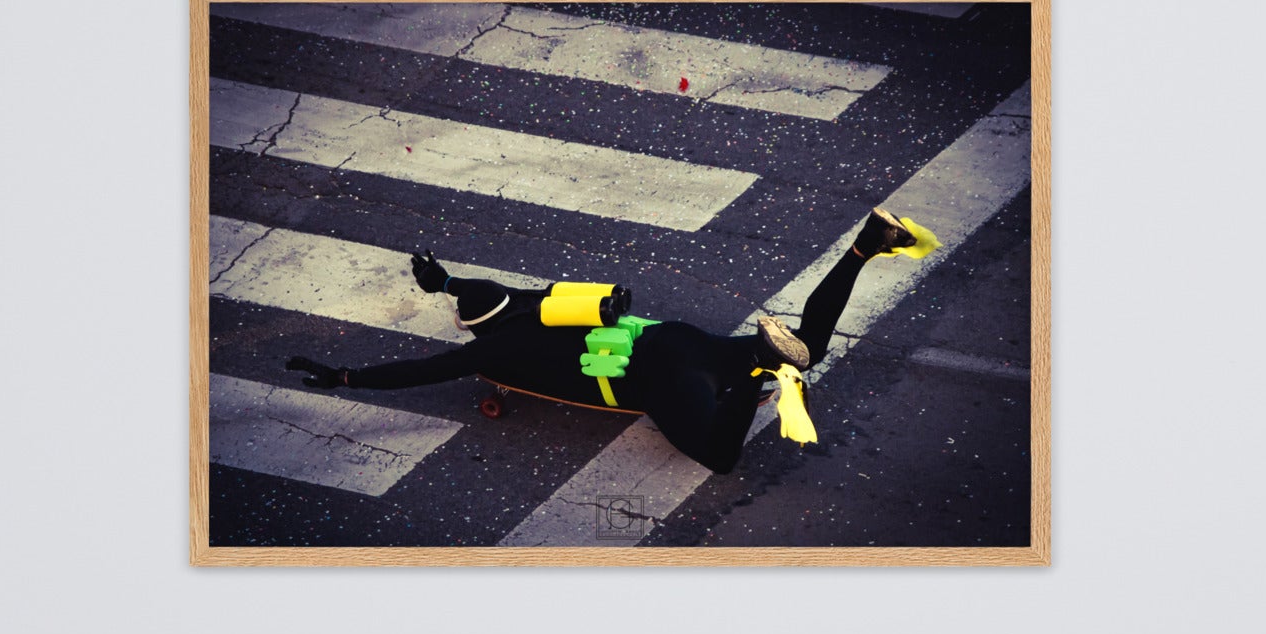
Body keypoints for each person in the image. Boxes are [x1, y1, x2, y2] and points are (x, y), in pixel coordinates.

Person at [285, 209, 931, 475]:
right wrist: (444, 279)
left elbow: (421, 371)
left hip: (656, 380)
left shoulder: (490, 352)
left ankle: (763, 370)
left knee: (720, 457)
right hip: (678, 341)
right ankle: (865, 245)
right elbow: (476, 288)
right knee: (811, 344)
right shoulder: (542, 301)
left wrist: (345, 378)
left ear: (475, 328)